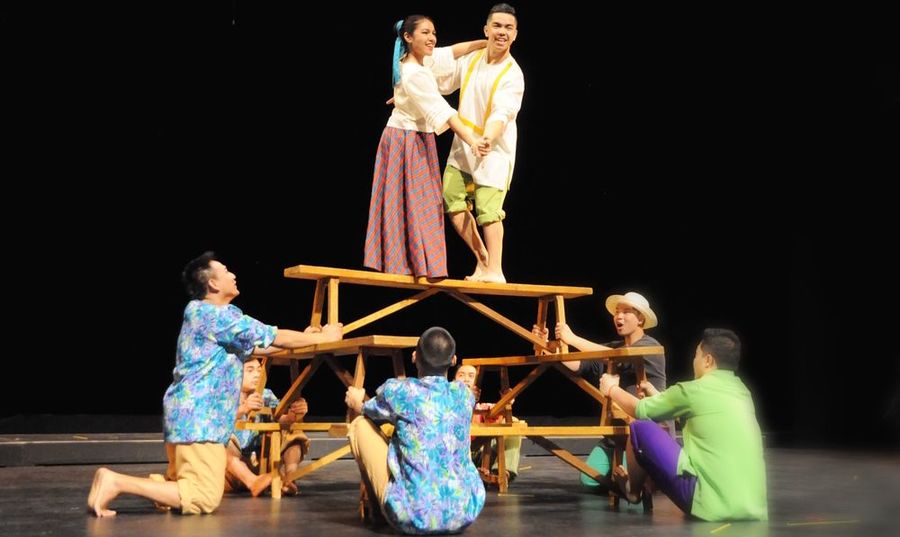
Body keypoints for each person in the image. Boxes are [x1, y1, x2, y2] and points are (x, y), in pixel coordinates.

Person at [86, 252, 343, 517]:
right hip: (199, 418)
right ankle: (115, 482)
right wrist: (325, 338)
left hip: (190, 416)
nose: (233, 274)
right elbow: (271, 334)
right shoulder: (209, 314)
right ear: (213, 284)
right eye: (226, 270)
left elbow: (261, 345)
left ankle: (142, 486)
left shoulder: (220, 317)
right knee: (203, 497)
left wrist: (308, 339)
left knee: (181, 484)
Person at [364, 15, 488, 279]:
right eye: (425, 33)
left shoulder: (422, 61)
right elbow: (443, 111)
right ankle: (409, 265)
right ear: (408, 38)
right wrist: (473, 139)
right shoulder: (413, 73)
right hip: (405, 140)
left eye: (433, 32)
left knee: (421, 202)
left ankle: (419, 264)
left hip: (417, 138)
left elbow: (453, 52)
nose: (432, 38)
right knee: (410, 202)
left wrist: (485, 43)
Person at [600, 328, 768, 521]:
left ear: (708, 360)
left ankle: (632, 492)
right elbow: (697, 415)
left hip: (709, 505)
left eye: (697, 355)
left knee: (640, 426)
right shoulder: (742, 392)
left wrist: (611, 388)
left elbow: (639, 409)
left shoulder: (692, 390)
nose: (694, 361)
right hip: (753, 508)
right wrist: (657, 393)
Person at [344, 326, 485, 533]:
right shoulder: (464, 395)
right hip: (464, 512)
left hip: (412, 516)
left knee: (359, 425)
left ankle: (377, 510)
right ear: (453, 360)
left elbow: (368, 410)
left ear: (414, 357)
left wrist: (356, 401)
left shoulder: (400, 391)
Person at [437, 3, 524, 284]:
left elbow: (503, 111)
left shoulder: (513, 73)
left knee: (488, 210)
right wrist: (409, 95)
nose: (502, 32)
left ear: (515, 35)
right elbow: (442, 79)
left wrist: (487, 138)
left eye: (508, 28)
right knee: (452, 199)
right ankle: (483, 260)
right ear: (486, 29)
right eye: (497, 26)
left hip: (493, 151)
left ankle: (496, 269)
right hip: (463, 146)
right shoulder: (472, 59)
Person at [533, 291, 675, 437]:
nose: (619, 316)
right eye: (617, 312)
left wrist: (572, 338)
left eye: (626, 312)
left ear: (640, 319)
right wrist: (545, 345)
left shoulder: (650, 346)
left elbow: (617, 356)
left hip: (652, 431)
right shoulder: (614, 347)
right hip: (618, 432)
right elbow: (580, 363)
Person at [225, 358, 311, 497]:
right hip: (232, 470)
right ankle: (251, 481)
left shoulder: (266, 394)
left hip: (259, 465)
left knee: (293, 432)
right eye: (250, 370)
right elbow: (212, 422)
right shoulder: (224, 395)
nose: (257, 374)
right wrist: (244, 408)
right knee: (218, 441)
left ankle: (289, 479)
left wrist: (294, 414)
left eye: (259, 370)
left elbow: (281, 418)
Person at [454, 364, 523, 483]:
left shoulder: (481, 408)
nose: (466, 379)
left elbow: (498, 413)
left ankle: (502, 474)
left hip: (477, 456)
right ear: (454, 381)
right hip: (455, 456)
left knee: (514, 423)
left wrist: (507, 401)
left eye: (471, 376)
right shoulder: (444, 402)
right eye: (461, 375)